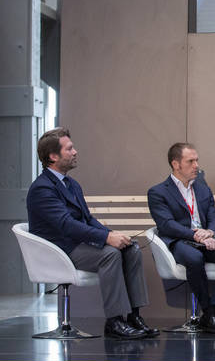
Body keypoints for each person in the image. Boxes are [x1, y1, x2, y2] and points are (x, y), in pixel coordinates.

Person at [27, 127, 156, 339]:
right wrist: (106, 238)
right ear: (52, 156)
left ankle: (134, 317)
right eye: (69, 149)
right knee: (110, 254)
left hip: (77, 244)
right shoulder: (42, 188)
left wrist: (112, 234)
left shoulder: (71, 184)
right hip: (58, 250)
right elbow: (66, 225)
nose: (75, 151)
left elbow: (87, 220)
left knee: (130, 249)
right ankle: (114, 322)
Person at [148, 143, 215, 334]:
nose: (196, 165)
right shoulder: (158, 192)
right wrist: (196, 235)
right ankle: (206, 310)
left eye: (197, 160)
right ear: (175, 164)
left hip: (205, 239)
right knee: (194, 258)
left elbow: (214, 219)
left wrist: (209, 232)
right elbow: (166, 225)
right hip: (180, 241)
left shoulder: (203, 190)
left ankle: (212, 311)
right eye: (190, 161)